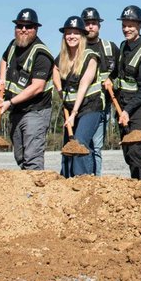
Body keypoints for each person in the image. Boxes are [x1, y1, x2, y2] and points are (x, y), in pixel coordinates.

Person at [0, 8, 56, 171]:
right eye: (20, 26)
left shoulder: (41, 54)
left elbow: (37, 87)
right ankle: (26, 192)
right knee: (20, 156)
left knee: (32, 157)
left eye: (28, 26)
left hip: (35, 111)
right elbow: (3, 59)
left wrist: (10, 102)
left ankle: (35, 194)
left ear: (35, 29)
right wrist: (2, 79)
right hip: (17, 110)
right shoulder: (13, 44)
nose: (23, 29)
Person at [55, 15, 102, 178]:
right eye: (68, 33)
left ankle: (82, 182)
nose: (71, 36)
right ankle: (66, 180)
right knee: (68, 147)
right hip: (69, 108)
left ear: (82, 36)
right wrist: (60, 90)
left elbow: (83, 86)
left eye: (75, 33)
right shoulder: (62, 57)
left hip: (90, 108)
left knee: (80, 143)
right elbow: (54, 70)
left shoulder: (90, 57)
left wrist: (74, 113)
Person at [113, 5, 141, 180]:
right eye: (124, 25)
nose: (127, 29)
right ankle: (135, 186)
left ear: (139, 26)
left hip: (138, 108)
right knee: (126, 152)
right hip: (122, 105)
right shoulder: (123, 46)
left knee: (134, 150)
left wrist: (127, 111)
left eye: (131, 26)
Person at [80, 7, 118, 176]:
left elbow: (121, 71)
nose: (90, 27)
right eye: (87, 24)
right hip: (82, 105)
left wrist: (113, 79)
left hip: (103, 104)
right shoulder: (76, 47)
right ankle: (84, 177)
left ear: (99, 26)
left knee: (96, 146)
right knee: (83, 143)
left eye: (93, 23)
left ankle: (97, 180)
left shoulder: (110, 48)